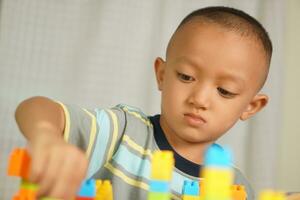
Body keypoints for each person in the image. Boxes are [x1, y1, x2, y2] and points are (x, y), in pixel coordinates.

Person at [15, 6, 272, 200]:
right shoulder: (123, 133)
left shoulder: (234, 187)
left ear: (251, 106)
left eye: (225, 91)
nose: (200, 99)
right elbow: (35, 107)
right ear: (162, 74)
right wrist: (46, 134)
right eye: (185, 76)